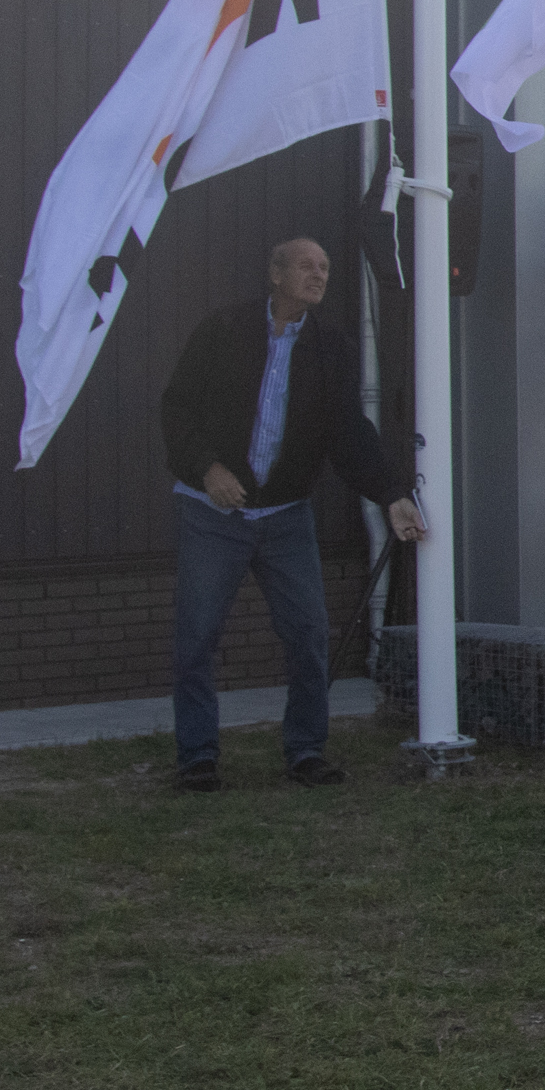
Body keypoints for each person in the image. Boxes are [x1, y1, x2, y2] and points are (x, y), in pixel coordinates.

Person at [161, 238, 424, 793]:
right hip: (213, 513)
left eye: (326, 267)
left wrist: (393, 493)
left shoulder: (332, 349)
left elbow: (349, 433)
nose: (319, 274)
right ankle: (198, 758)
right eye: (306, 265)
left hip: (284, 517)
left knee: (308, 634)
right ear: (275, 273)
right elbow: (177, 407)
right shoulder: (222, 330)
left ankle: (305, 751)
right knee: (196, 637)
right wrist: (208, 468)